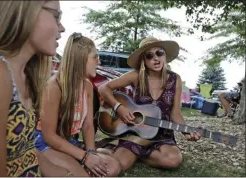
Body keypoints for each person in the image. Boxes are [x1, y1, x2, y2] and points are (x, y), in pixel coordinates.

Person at [0, 1, 65, 176]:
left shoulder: (27, 76)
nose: (61, 28)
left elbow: (28, 152)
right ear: (25, 11)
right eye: (56, 16)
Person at [98, 37, 201, 171]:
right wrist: (119, 107)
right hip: (137, 133)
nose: (156, 58)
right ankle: (127, 151)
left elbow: (175, 113)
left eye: (159, 53)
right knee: (119, 165)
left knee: (173, 160)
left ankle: (135, 153)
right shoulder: (135, 76)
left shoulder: (176, 79)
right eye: (149, 55)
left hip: (162, 135)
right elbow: (103, 88)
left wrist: (186, 131)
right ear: (144, 61)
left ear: (165, 55)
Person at [34, 32, 121, 177]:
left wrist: (91, 153)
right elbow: (49, 136)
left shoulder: (87, 86)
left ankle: (78, 163)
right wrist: (85, 157)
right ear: (80, 59)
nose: (98, 61)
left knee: (113, 166)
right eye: (95, 57)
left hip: (68, 142)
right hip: (45, 143)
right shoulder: (54, 86)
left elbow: (88, 126)